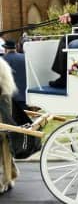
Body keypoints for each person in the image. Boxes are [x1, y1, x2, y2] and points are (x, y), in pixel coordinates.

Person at [0, 58, 19, 194]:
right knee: (5, 145)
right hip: (5, 103)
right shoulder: (2, 64)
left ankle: (6, 179)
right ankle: (9, 175)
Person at [2, 40, 27, 110]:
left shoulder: (3, 60)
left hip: (11, 95)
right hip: (25, 95)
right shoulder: (24, 57)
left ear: (5, 49)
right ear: (15, 47)